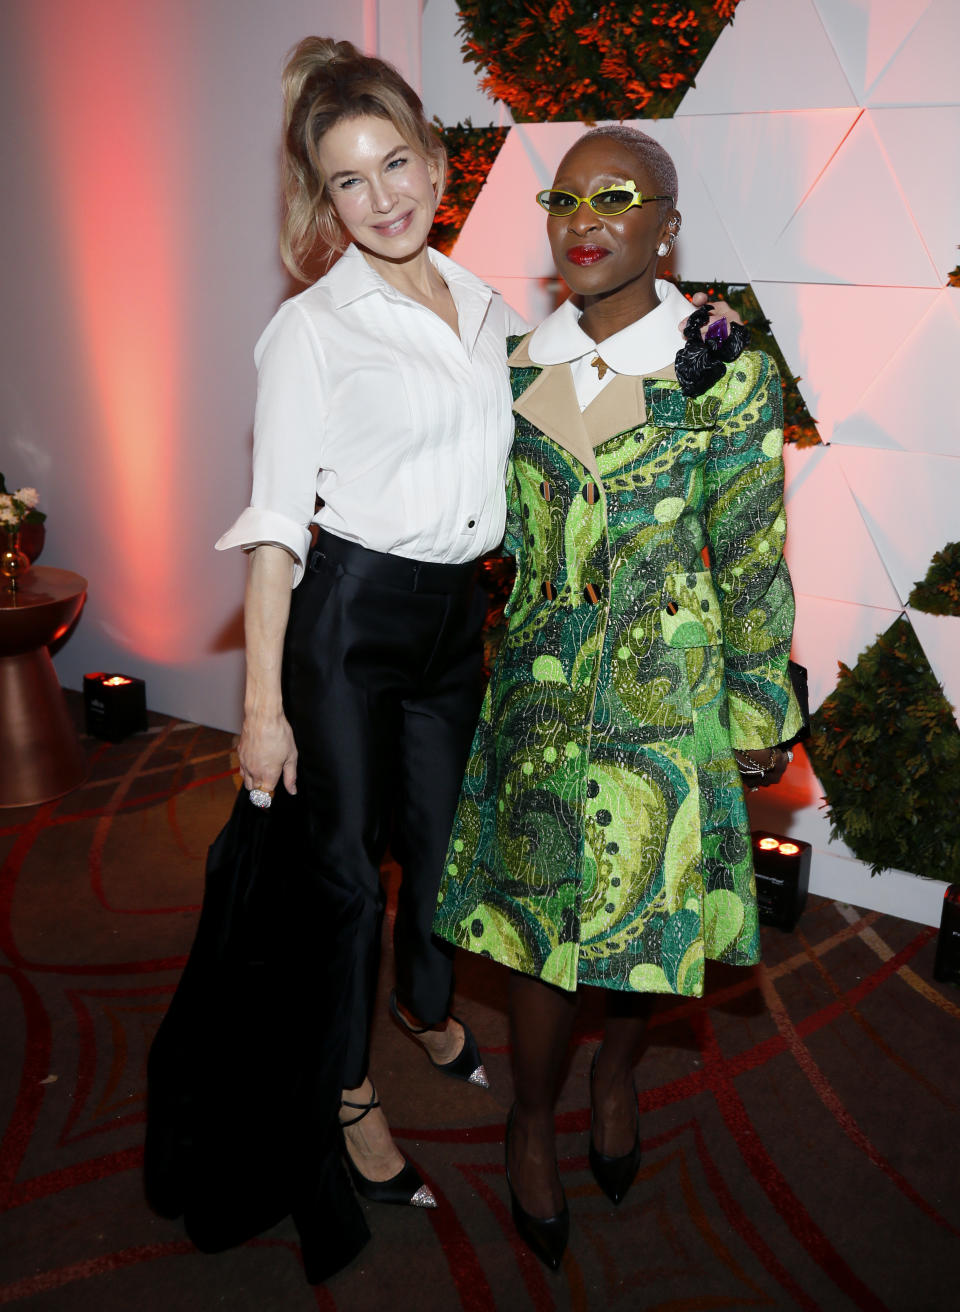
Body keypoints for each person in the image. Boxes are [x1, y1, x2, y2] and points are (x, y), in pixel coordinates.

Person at [432, 124, 803, 1269]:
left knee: (644, 918)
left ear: (665, 225)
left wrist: (753, 713)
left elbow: (749, 545)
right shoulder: (513, 363)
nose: (586, 218)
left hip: (664, 694)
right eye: (566, 197)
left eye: (619, 196)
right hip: (540, 693)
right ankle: (532, 1119)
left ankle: (617, 1069)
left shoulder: (722, 359)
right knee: (546, 937)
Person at [215, 36, 524, 1213]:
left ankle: (422, 1004)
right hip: (344, 620)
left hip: (454, 620)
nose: (382, 199)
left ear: (436, 163)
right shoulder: (311, 329)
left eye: (395, 163)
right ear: (323, 198)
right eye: (350, 180)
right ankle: (346, 1090)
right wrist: (261, 708)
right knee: (347, 877)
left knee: (443, 850)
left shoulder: (489, 307)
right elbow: (277, 527)